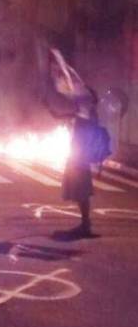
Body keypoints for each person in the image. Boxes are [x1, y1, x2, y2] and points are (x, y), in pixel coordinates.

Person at [61, 88, 99, 238]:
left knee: (82, 191)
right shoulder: (83, 113)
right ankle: (85, 223)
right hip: (77, 156)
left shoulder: (90, 114)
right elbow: (63, 116)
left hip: (81, 158)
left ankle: (85, 223)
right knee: (78, 191)